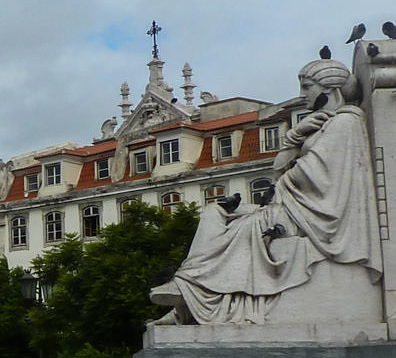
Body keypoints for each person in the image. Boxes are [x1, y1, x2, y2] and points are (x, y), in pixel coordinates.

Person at [153, 58, 381, 325]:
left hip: (315, 212)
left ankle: (189, 297)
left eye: (307, 87)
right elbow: (281, 170)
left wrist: (291, 163)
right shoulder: (322, 124)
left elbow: (309, 176)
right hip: (295, 205)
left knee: (240, 227)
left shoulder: (345, 124)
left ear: (329, 89)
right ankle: (187, 294)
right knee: (214, 211)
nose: (301, 94)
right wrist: (294, 137)